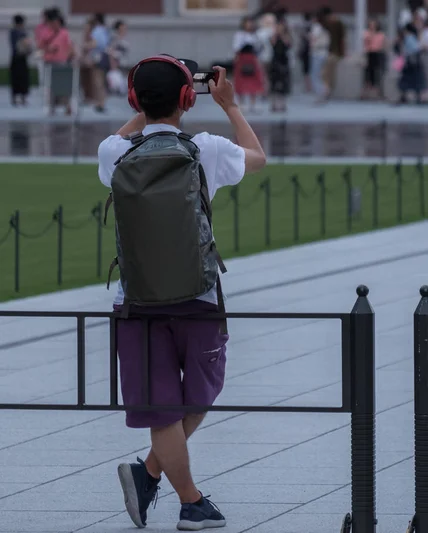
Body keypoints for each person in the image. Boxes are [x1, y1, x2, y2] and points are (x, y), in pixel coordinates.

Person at [97, 57, 266, 530]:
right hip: (199, 294)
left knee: (159, 404)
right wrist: (230, 105)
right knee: (200, 393)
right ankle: (189, 501)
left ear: (134, 100)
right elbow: (258, 157)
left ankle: (151, 474)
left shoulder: (113, 153)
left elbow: (119, 137)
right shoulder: (205, 148)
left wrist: (143, 106)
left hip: (137, 300)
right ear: (188, 100)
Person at [232, 17, 264, 112]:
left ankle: (253, 103)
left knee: (254, 80)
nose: (249, 25)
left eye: (251, 23)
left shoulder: (256, 35)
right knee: (241, 80)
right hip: (242, 58)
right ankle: (241, 103)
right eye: (247, 23)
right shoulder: (239, 35)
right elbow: (236, 48)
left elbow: (259, 47)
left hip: (252, 59)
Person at [320, 6, 345, 100]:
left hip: (334, 52)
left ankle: (327, 90)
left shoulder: (335, 24)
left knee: (326, 73)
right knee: (329, 73)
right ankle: (328, 90)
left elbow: (341, 39)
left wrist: (343, 53)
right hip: (332, 51)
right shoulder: (332, 24)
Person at [9, 14, 32, 107]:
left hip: (22, 59)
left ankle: (23, 97)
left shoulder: (23, 32)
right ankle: (15, 97)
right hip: (16, 58)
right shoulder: (14, 32)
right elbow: (17, 46)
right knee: (15, 78)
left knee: (23, 78)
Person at [269, 19, 292, 112]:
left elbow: (288, 44)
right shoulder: (274, 36)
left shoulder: (287, 36)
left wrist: (282, 34)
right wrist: (276, 33)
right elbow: (272, 43)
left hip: (284, 62)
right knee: (274, 85)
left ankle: (283, 104)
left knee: (284, 84)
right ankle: (274, 104)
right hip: (275, 61)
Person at [361, 18, 386, 100]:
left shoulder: (381, 34)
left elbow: (382, 45)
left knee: (377, 73)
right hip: (369, 54)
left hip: (377, 54)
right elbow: (366, 43)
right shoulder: (366, 33)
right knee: (367, 74)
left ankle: (378, 92)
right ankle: (365, 93)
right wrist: (371, 35)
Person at [310, 10, 330, 104]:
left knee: (315, 75)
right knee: (321, 75)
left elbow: (313, 40)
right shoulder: (324, 27)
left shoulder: (316, 27)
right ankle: (324, 93)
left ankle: (320, 95)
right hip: (324, 53)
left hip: (317, 53)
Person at [298, 12, 313, 92]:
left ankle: (308, 86)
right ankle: (309, 85)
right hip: (309, 50)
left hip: (306, 50)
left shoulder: (303, 26)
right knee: (308, 68)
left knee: (306, 69)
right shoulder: (311, 26)